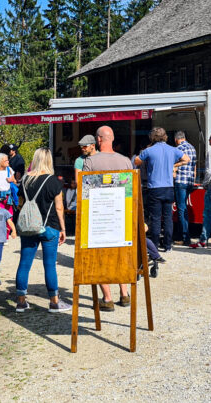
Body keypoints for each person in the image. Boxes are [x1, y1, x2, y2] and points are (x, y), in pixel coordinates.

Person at [15, 147, 71, 313]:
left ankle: (20, 301)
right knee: (49, 265)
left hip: (29, 227)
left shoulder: (25, 180)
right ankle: (54, 301)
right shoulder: (53, 181)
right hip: (50, 226)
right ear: (49, 161)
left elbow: (20, 203)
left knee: (24, 263)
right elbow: (59, 207)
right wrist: (63, 228)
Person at [85, 126, 133, 311]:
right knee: (121, 254)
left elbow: (85, 193)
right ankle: (124, 293)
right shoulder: (126, 161)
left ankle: (107, 297)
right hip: (121, 217)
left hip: (99, 218)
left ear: (98, 140)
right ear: (111, 139)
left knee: (100, 257)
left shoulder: (90, 162)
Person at [134, 127, 190, 253]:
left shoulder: (149, 150)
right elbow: (187, 159)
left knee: (155, 218)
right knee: (168, 217)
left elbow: (136, 161)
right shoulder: (173, 149)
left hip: (155, 187)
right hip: (169, 187)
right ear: (165, 136)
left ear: (152, 137)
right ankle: (168, 245)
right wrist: (174, 165)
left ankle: (154, 245)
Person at [173, 131, 197, 246]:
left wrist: (174, 166)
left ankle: (185, 237)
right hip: (189, 182)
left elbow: (175, 164)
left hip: (180, 181)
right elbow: (194, 166)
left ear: (176, 139)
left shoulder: (178, 148)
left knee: (181, 210)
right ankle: (184, 235)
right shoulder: (192, 147)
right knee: (184, 209)